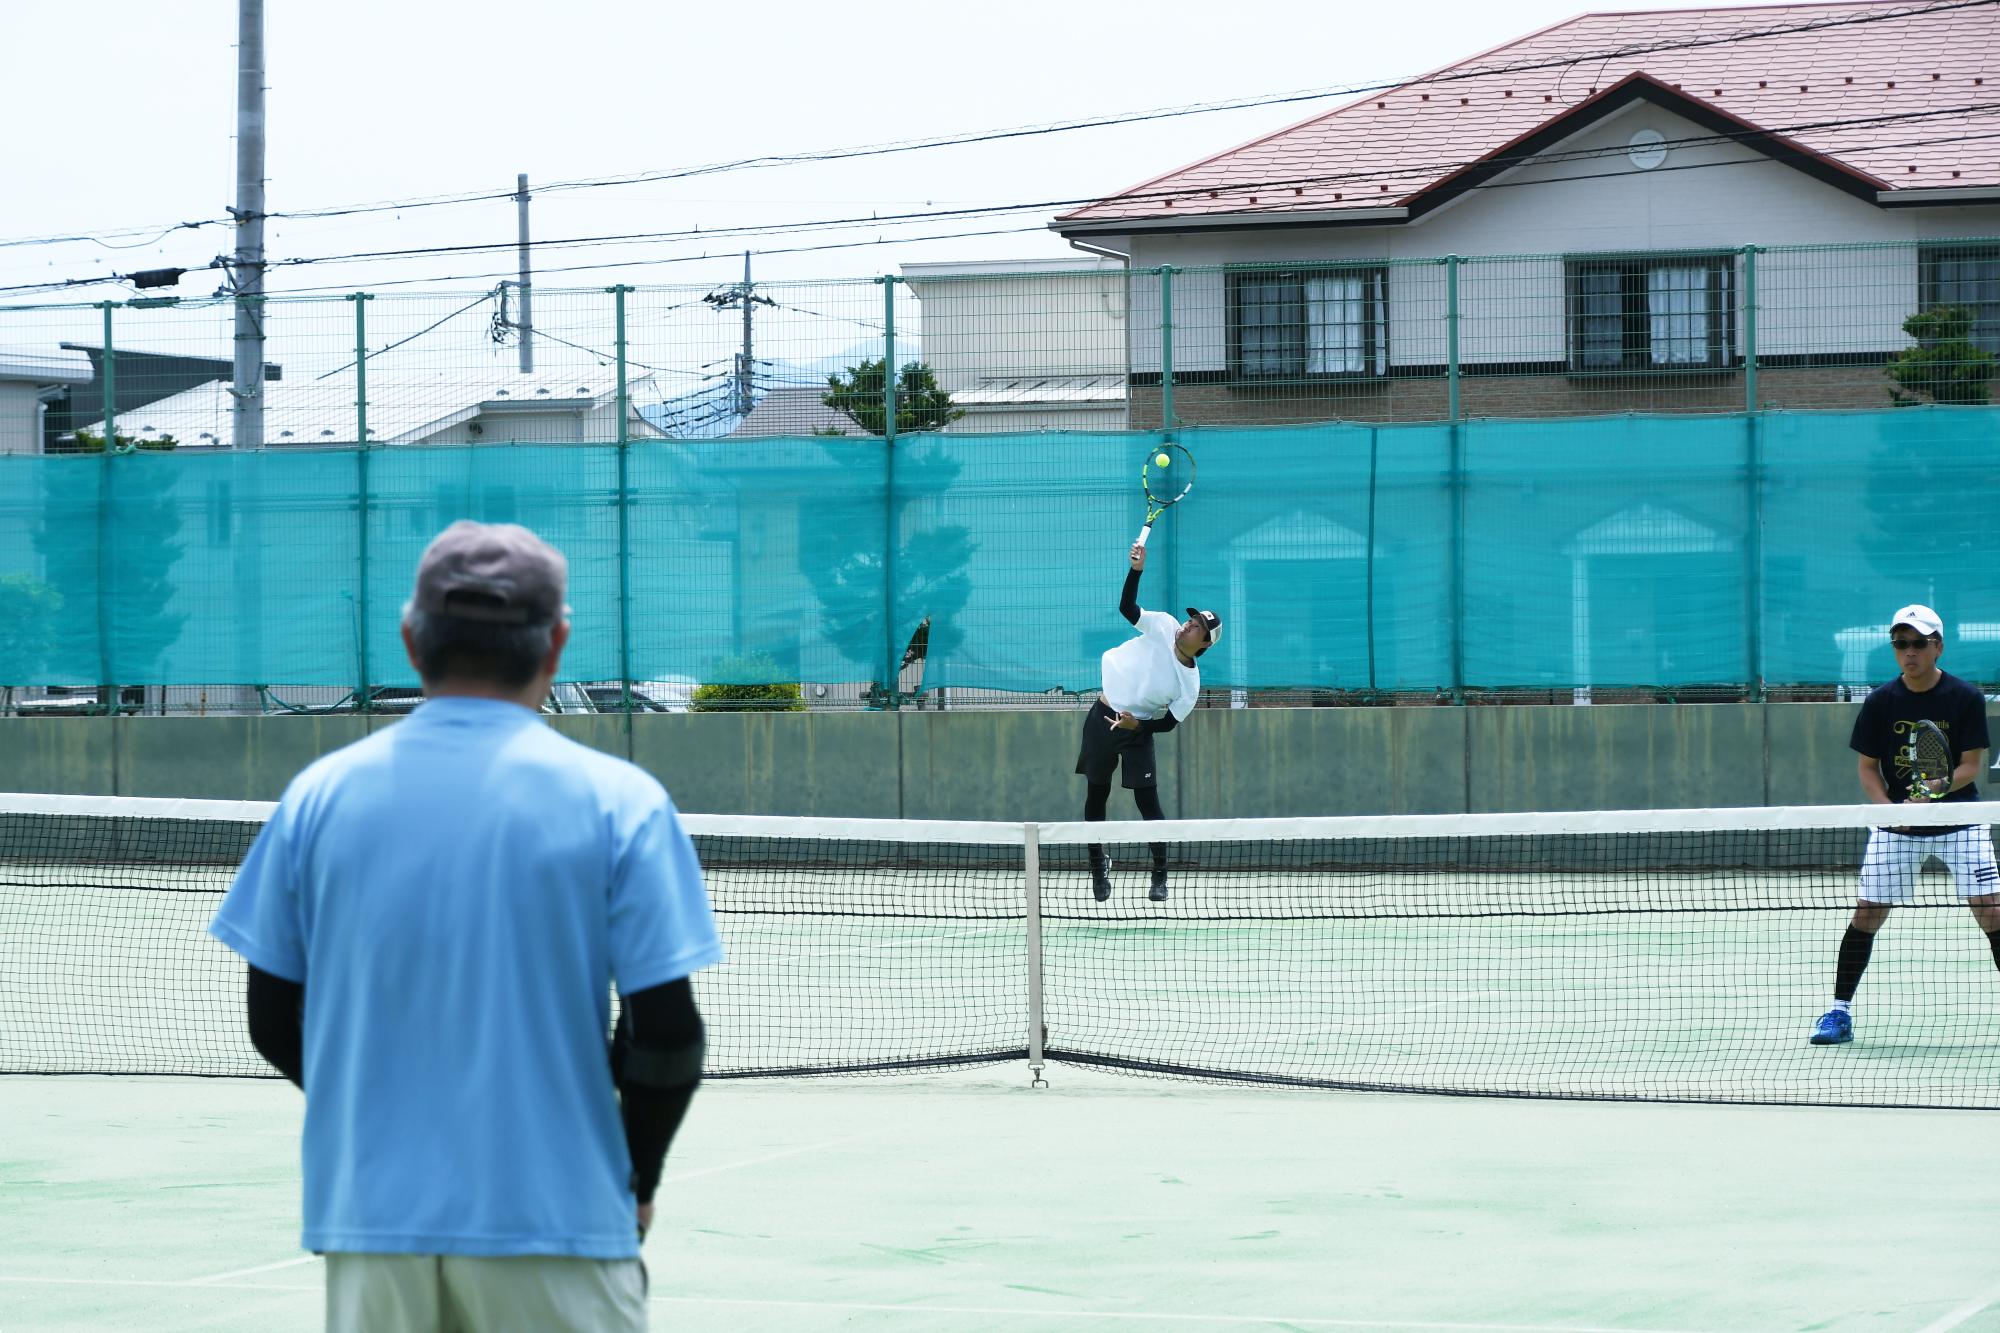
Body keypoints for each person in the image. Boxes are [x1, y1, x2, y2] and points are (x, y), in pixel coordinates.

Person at [209, 521, 722, 1332]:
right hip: (557, 1218)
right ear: (556, 644)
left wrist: (386, 1108)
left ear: (412, 642)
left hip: (370, 1222)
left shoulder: (318, 797)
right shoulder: (620, 801)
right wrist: (637, 1179)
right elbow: (667, 1036)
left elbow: (273, 1020)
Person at [1809, 603, 1999, 1046]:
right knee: (1867, 914)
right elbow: (1868, 769)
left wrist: (1934, 792)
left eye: (1917, 643)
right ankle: (1838, 1012)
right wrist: (1890, 810)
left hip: (1960, 821)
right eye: (1900, 644)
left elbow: (1972, 765)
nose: (1908, 652)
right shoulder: (1880, 702)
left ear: (1937, 647)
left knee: (1991, 913)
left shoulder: (1964, 697)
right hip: (1896, 828)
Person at [1074, 537, 1220, 903]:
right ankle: (1097, 864)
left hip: (1137, 730)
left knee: (1149, 805)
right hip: (1102, 716)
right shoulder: (1163, 626)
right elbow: (1127, 607)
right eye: (1191, 619)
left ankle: (1159, 875)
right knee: (1096, 794)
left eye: (1197, 626)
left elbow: (1168, 723)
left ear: (1204, 644)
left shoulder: (1190, 683)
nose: (1188, 625)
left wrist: (1136, 726)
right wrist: (1135, 570)